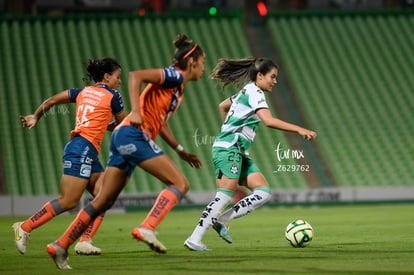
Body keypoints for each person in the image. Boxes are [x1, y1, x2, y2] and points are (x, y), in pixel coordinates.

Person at [46, 34, 205, 269]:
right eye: (202, 62)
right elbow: (136, 76)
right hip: (133, 134)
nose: (203, 68)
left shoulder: (177, 88)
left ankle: (61, 245)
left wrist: (180, 149)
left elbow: (161, 121)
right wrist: (137, 111)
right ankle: (147, 227)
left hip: (123, 136)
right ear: (192, 63)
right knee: (180, 184)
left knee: (104, 201)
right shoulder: (173, 75)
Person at [184, 57, 317, 251]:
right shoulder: (255, 92)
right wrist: (299, 129)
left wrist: (227, 130)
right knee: (225, 195)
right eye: (273, 76)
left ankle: (219, 220)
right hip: (229, 149)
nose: (275, 81)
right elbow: (268, 121)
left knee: (263, 192)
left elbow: (223, 105)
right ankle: (194, 238)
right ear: (260, 75)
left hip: (236, 150)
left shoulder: (247, 91)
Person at [14, 57, 126, 256]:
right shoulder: (113, 95)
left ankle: (84, 241)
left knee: (104, 197)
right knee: (68, 201)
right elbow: (122, 125)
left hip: (84, 147)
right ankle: (24, 227)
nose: (120, 81)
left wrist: (36, 116)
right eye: (118, 77)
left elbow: (52, 100)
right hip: (83, 147)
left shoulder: (82, 92)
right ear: (107, 77)